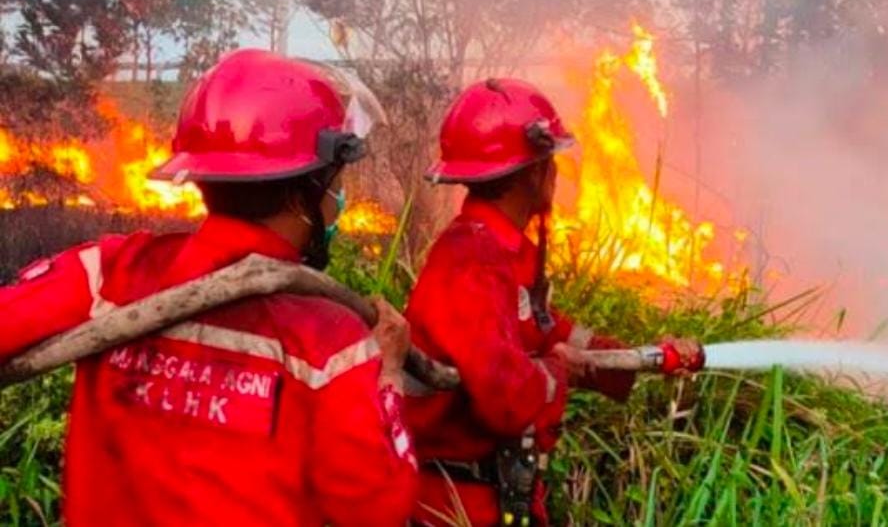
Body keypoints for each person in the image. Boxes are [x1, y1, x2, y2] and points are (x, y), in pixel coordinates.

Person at [0, 50, 418, 526]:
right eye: (335, 183)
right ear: (306, 189)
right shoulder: (330, 340)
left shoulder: (110, 272)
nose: (337, 200)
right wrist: (387, 377)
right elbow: (378, 509)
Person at [404, 78, 702, 526]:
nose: (557, 173)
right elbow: (504, 393)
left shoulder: (506, 252)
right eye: (550, 161)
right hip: (455, 503)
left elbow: (546, 330)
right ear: (529, 172)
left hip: (493, 494)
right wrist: (561, 369)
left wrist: (641, 358)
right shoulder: (471, 259)